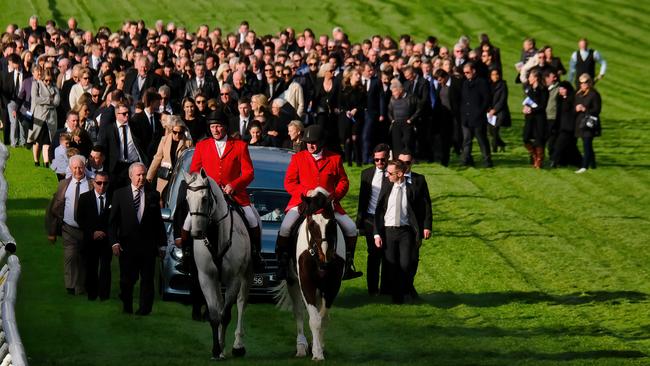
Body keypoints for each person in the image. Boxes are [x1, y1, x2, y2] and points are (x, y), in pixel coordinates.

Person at [276, 125, 363, 281]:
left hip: (327, 204)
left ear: (322, 142)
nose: (310, 145)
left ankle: (348, 263)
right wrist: (305, 192)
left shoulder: (334, 159)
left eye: (314, 142)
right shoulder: (298, 158)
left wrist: (334, 195)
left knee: (350, 228)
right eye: (308, 142)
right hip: (304, 203)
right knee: (286, 226)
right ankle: (282, 264)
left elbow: (343, 181)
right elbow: (289, 183)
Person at [189, 109, 264, 270]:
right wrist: (203, 185)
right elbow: (194, 171)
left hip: (235, 195)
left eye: (218, 126)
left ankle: (256, 254)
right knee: (189, 222)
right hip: (208, 195)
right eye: (212, 126)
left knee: (252, 220)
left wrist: (234, 185)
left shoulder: (239, 146)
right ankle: (187, 256)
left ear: (225, 127)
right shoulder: (202, 146)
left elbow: (249, 173)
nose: (215, 130)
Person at [109, 163, 165, 315]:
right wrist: (114, 241)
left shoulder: (153, 195)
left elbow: (158, 222)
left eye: (143, 174)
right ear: (130, 176)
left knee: (147, 280)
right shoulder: (119, 194)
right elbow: (113, 222)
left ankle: (144, 310)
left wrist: (162, 245)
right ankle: (127, 307)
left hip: (148, 246)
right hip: (127, 246)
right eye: (138, 175)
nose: (141, 178)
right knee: (127, 280)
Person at [373, 159, 430, 304]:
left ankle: (405, 290)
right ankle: (397, 297)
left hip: (406, 232)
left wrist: (425, 226)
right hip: (388, 232)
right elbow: (379, 211)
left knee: (405, 264)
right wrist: (377, 233)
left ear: (399, 174)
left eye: (390, 173)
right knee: (391, 265)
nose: (387, 175)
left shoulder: (411, 190)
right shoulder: (386, 187)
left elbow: (422, 209)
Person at [45, 155, 94, 295]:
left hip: (86, 230)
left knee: (83, 258)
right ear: (70, 168)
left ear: (85, 167)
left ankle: (81, 286)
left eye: (80, 167)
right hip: (68, 228)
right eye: (75, 168)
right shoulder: (63, 185)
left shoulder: (92, 185)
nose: (78, 170)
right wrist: (52, 232)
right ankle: (70, 286)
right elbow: (54, 209)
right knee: (70, 255)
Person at [396, 150, 432, 299]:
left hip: (414, 227)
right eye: (401, 163)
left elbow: (426, 205)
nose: (404, 165)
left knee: (413, 259)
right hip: (396, 226)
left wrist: (427, 226)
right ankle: (404, 289)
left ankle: (408, 286)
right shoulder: (391, 179)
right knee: (399, 260)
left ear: (412, 163)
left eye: (408, 163)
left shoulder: (419, 180)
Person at [356, 143, 390, 295]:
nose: (380, 163)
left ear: (388, 157)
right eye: (376, 160)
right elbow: (362, 200)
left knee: (388, 255)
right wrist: (360, 223)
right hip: (370, 219)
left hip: (389, 219)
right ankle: (372, 290)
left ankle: (386, 289)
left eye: (383, 160)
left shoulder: (393, 174)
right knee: (374, 254)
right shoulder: (366, 174)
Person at [76, 171, 112, 301]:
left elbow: (116, 219)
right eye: (99, 183)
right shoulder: (85, 198)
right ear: (93, 182)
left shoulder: (113, 198)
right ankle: (92, 293)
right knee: (91, 266)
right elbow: (80, 218)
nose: (102, 186)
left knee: (106, 267)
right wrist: (92, 232)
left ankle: (104, 295)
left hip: (107, 239)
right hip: (90, 239)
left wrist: (106, 233)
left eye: (105, 183)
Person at [97, 102, 148, 188]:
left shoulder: (135, 127)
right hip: (116, 168)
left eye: (128, 113)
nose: (127, 115)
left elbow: (143, 144)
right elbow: (104, 148)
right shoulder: (109, 129)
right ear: (117, 114)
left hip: (132, 165)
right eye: (124, 113)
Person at [146, 116, 192, 201]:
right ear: (171, 130)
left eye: (180, 133)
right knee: (161, 200)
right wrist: (149, 177)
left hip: (179, 178)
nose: (177, 135)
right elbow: (157, 158)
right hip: (164, 177)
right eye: (175, 132)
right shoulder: (164, 140)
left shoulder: (188, 143)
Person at [460, 62, 492, 167]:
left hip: (478, 118)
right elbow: (463, 100)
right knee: (467, 140)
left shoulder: (482, 82)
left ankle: (487, 160)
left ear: (474, 71)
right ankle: (465, 160)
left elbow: (486, 99)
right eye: (464, 73)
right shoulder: (465, 83)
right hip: (466, 118)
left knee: (482, 140)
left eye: (468, 72)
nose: (466, 74)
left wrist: (480, 112)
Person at [27, 66, 59, 167]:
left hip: (50, 119)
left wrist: (44, 100)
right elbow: (36, 99)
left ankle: (46, 163)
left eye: (50, 80)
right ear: (42, 79)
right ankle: (36, 161)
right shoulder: (36, 84)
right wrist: (49, 100)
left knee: (47, 142)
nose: (48, 82)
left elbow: (57, 102)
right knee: (36, 140)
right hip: (38, 117)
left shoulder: (55, 87)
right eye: (46, 80)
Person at [574, 73, 601, 174]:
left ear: (589, 82)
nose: (583, 84)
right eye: (581, 83)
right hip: (580, 122)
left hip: (589, 123)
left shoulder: (594, 94)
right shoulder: (578, 94)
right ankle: (593, 164)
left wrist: (585, 109)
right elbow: (574, 105)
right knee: (587, 144)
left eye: (585, 82)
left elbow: (597, 109)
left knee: (587, 144)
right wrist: (576, 108)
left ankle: (584, 166)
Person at [550, 81, 582, 167]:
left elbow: (574, 112)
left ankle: (554, 161)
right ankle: (579, 162)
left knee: (559, 145)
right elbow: (558, 114)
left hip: (569, 127)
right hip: (561, 126)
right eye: (560, 89)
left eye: (563, 89)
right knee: (571, 147)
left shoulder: (573, 98)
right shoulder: (560, 99)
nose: (561, 91)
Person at [522, 68, 549, 169]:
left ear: (536, 78)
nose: (529, 78)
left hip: (539, 118)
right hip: (529, 117)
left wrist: (532, 110)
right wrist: (525, 108)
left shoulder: (543, 90)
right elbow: (527, 101)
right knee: (525, 138)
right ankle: (534, 154)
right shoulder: (528, 88)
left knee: (539, 140)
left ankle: (539, 159)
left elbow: (543, 105)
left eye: (530, 77)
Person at [387, 79, 420, 158]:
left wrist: (411, 119)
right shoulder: (392, 99)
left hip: (407, 123)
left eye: (394, 91)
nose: (393, 94)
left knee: (407, 141)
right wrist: (392, 120)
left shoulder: (411, 97)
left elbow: (419, 109)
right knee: (396, 142)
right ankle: (397, 160)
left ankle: (408, 159)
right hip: (396, 123)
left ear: (400, 90)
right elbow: (389, 111)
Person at [487, 68, 510, 153]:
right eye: (493, 74)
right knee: (491, 131)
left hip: (500, 111)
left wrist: (495, 110)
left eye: (496, 74)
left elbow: (502, 100)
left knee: (495, 130)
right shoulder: (488, 85)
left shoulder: (503, 85)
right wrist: (489, 109)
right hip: (490, 111)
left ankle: (494, 150)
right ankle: (502, 144)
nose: (495, 76)